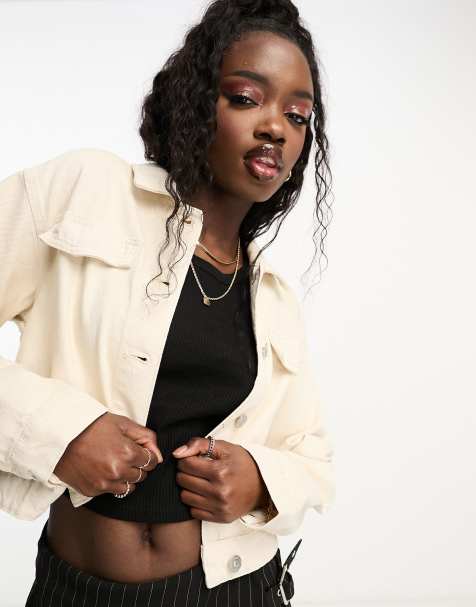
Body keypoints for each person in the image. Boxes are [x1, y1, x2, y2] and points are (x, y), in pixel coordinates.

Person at [0, 0, 335, 605]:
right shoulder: (87, 193)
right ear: (197, 101)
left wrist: (259, 481)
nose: (276, 128)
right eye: (246, 98)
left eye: (297, 115)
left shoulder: (273, 299)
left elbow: (312, 458)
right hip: (75, 589)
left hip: (239, 590)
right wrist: (60, 432)